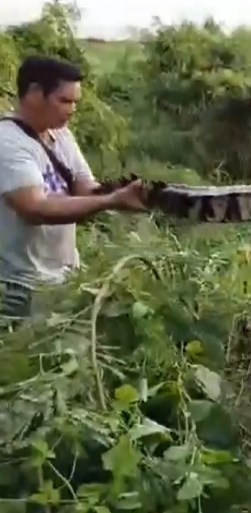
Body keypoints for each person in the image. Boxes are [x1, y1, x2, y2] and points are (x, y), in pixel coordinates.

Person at [0, 56, 145, 322]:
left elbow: (85, 189)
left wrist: (125, 190)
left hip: (62, 278)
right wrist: (112, 200)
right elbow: (35, 208)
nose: (72, 109)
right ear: (34, 93)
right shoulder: (7, 142)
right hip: (21, 286)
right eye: (65, 101)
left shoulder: (61, 134)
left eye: (75, 102)